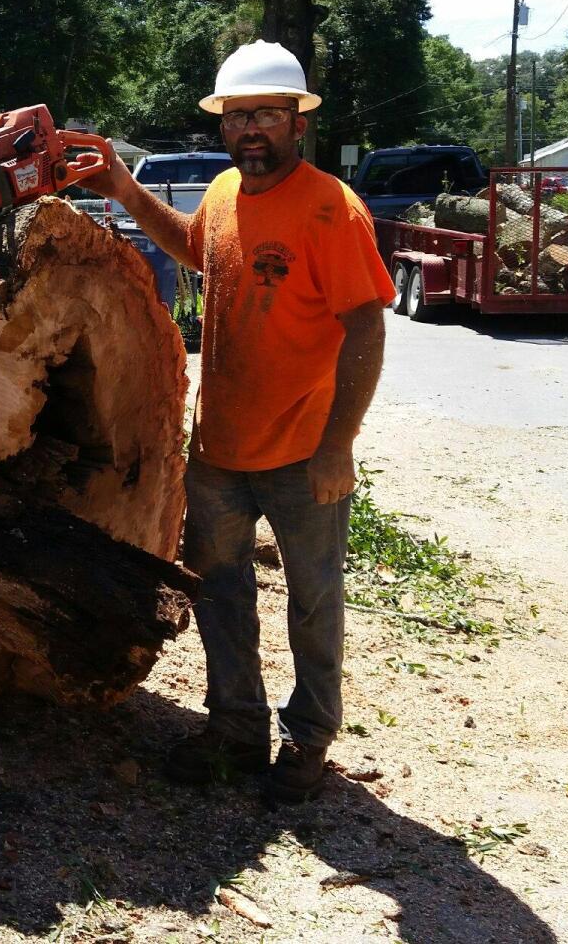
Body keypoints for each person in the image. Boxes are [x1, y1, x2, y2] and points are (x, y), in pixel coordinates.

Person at [78, 40, 394, 802]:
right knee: (221, 594)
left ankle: (309, 744)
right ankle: (237, 730)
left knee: (313, 602)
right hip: (220, 450)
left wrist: (338, 444)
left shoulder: (330, 209)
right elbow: (192, 248)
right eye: (238, 116)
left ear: (296, 121)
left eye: (267, 116)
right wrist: (123, 188)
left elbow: (367, 327)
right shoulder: (222, 194)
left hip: (301, 451)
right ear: (224, 125)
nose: (252, 129)